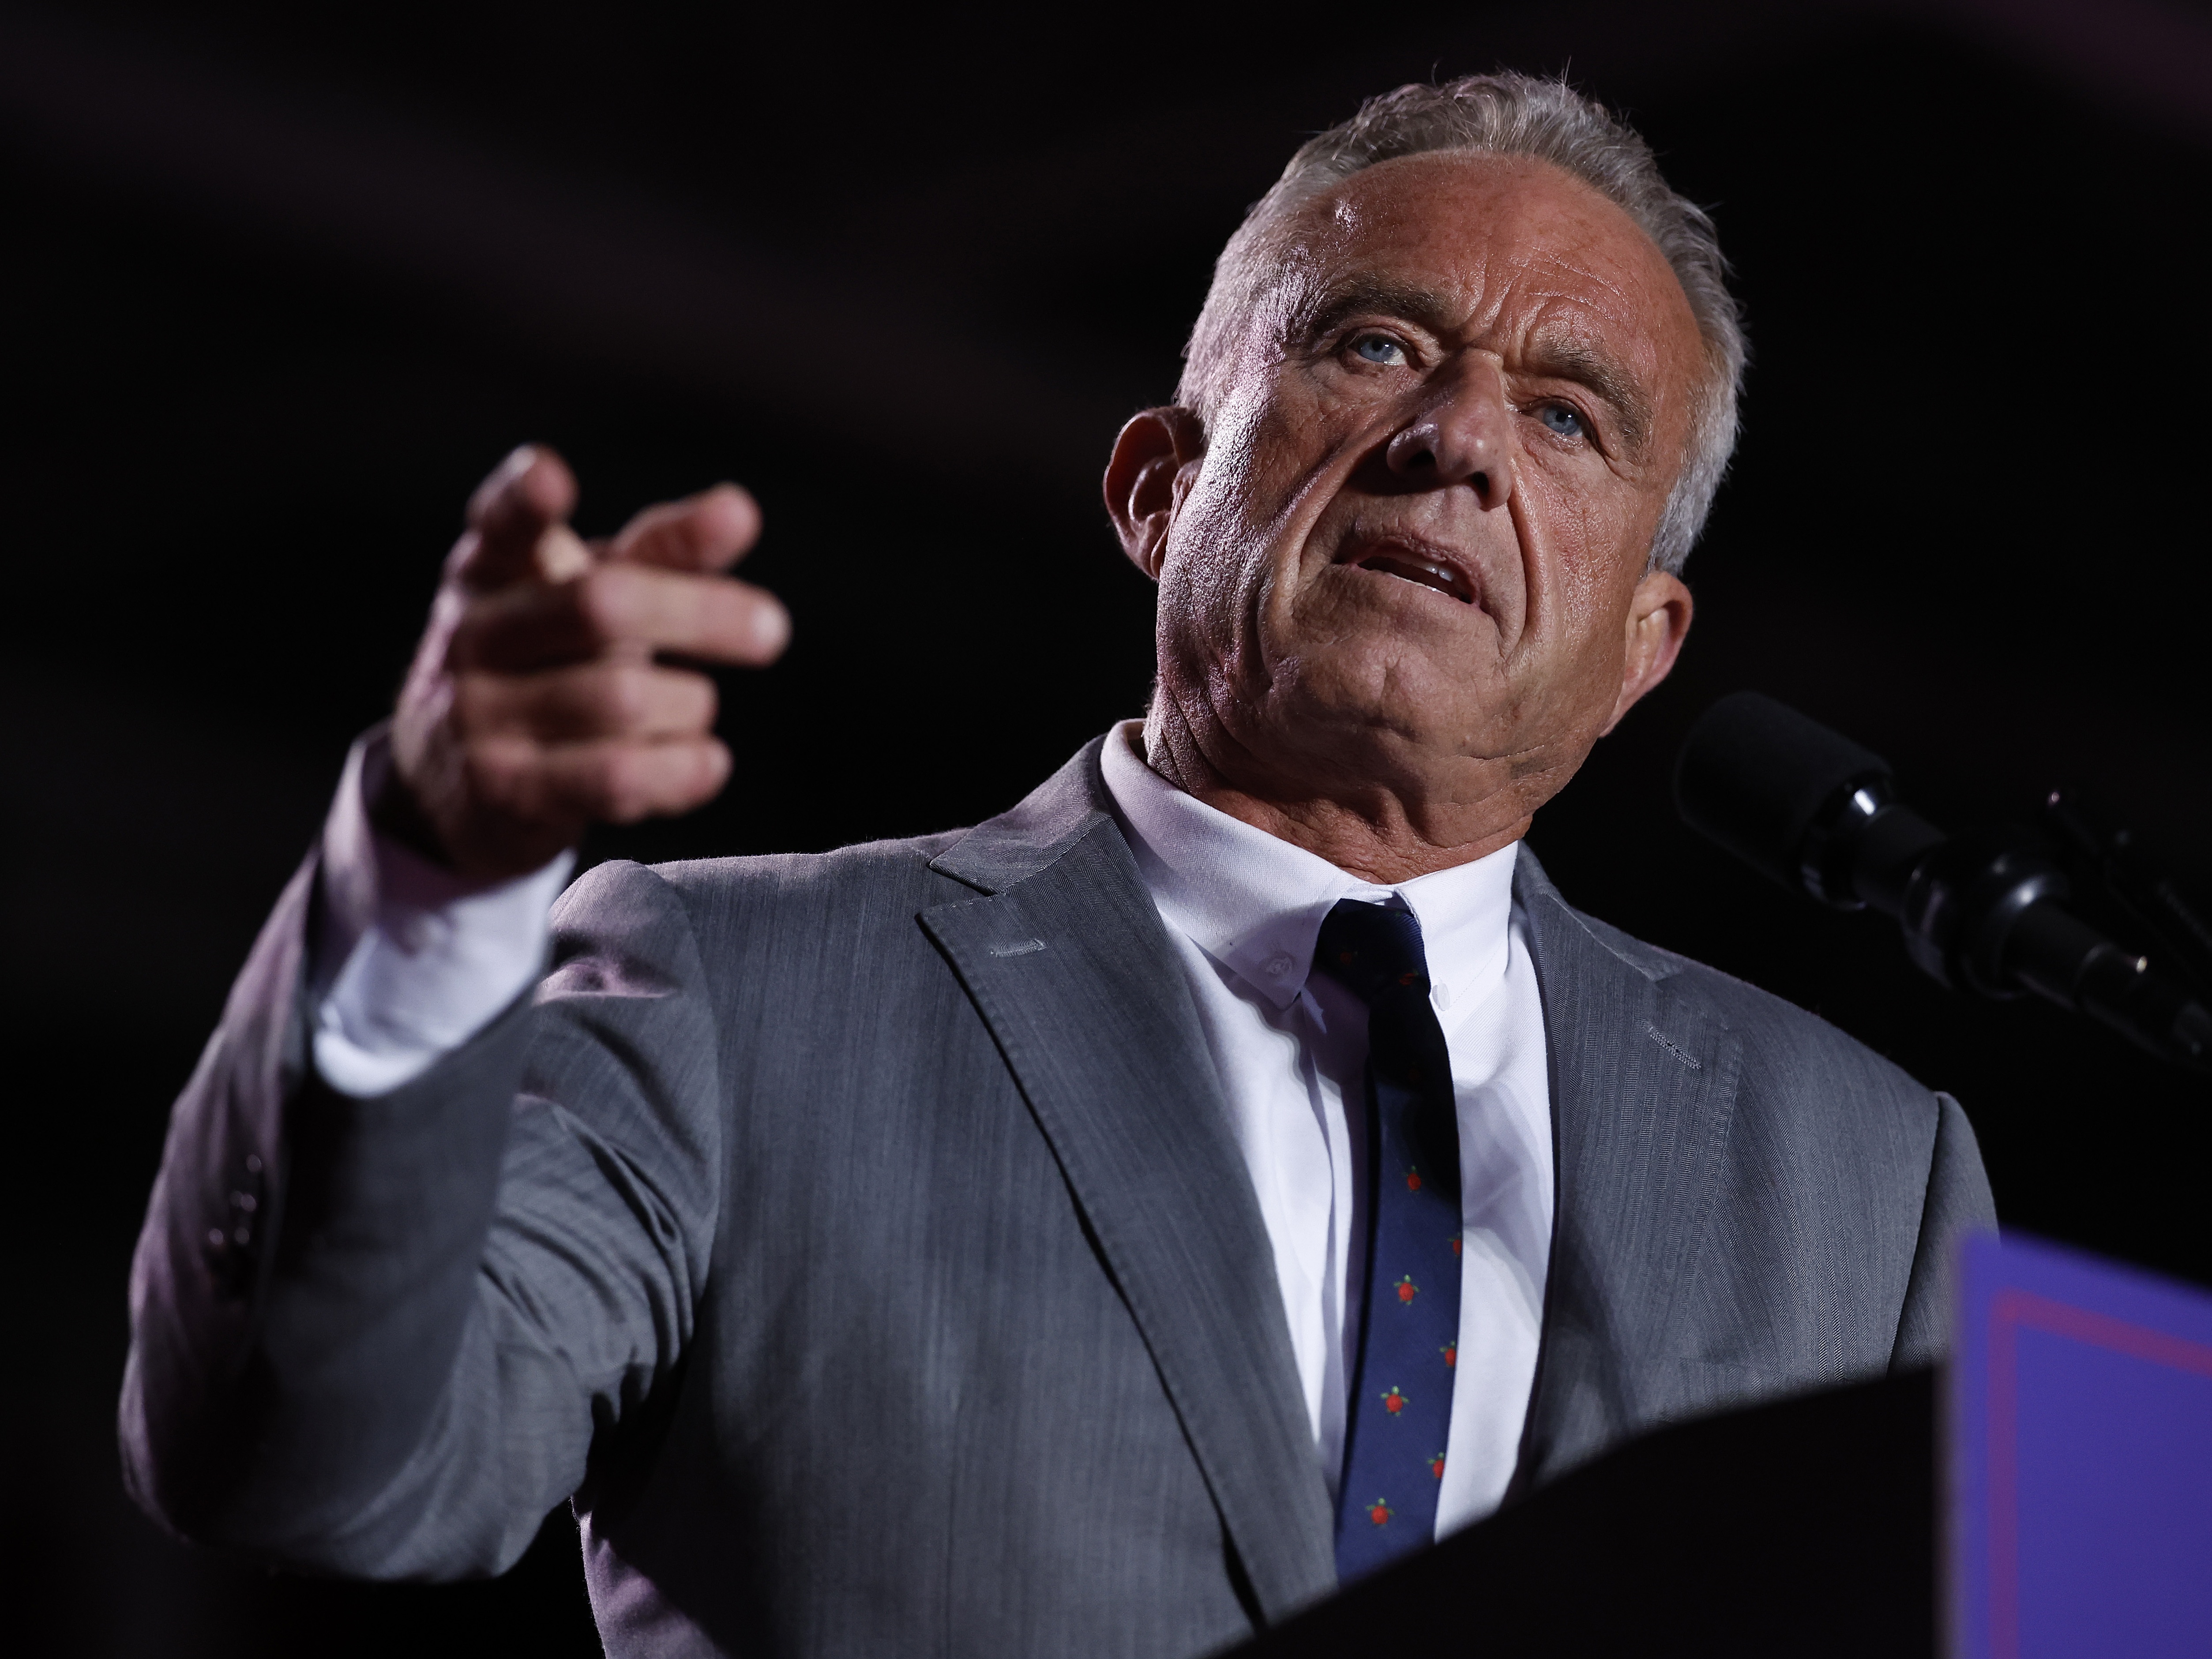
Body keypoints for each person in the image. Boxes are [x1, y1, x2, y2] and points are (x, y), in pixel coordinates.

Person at [121, 73, 1994, 1658]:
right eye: (1377, 344)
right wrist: (435, 880)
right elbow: (317, 1464)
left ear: (1644, 646)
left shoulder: (1872, 1179)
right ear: (1160, 490)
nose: (1456, 442)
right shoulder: (727, 997)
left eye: (1570, 415)